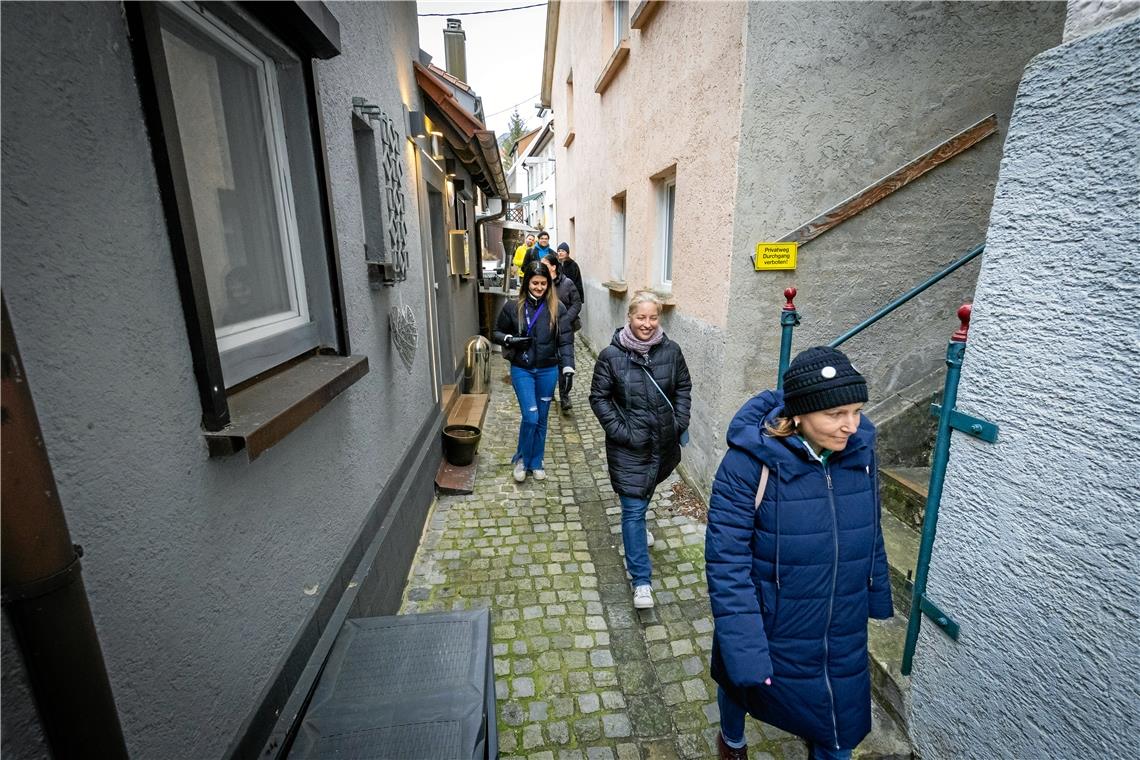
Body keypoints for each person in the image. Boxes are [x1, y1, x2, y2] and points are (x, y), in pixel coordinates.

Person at [705, 346, 892, 760]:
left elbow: (871, 528)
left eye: (857, 410)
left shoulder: (860, 455)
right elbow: (727, 563)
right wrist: (745, 647)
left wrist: (875, 594)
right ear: (798, 415)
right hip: (772, 621)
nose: (851, 426)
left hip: (840, 624)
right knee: (740, 682)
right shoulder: (748, 466)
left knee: (840, 731)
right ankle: (731, 741)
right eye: (836, 414)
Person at [589, 290, 691, 609]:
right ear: (629, 318)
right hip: (628, 448)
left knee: (646, 493)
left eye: (652, 317)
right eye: (640, 317)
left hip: (662, 445)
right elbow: (599, 398)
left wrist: (679, 421)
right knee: (632, 510)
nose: (646, 324)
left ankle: (640, 526)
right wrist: (622, 432)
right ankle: (642, 582)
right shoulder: (611, 356)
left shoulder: (671, 351)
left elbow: (683, 387)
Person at [493, 261, 573, 483]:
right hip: (523, 369)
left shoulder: (559, 308)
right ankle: (521, 458)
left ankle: (536, 461)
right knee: (531, 416)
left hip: (548, 370)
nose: (539, 287)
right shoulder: (513, 307)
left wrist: (568, 366)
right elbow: (496, 332)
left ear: (549, 284)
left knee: (543, 418)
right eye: (535, 282)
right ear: (527, 281)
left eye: (543, 283)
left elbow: (566, 341)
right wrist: (510, 339)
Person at [541, 253, 582, 414]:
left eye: (544, 264)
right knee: (548, 361)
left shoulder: (567, 283)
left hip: (565, 330)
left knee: (565, 363)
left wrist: (564, 319)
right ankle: (548, 392)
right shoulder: (541, 284)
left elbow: (577, 304)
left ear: (553, 267)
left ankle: (565, 395)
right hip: (546, 331)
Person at [556, 242, 585, 309]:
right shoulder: (557, 264)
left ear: (567, 253)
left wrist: (579, 299)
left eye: (563, 251)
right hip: (559, 296)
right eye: (559, 251)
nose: (560, 253)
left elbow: (576, 282)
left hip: (570, 296)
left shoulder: (573, 265)